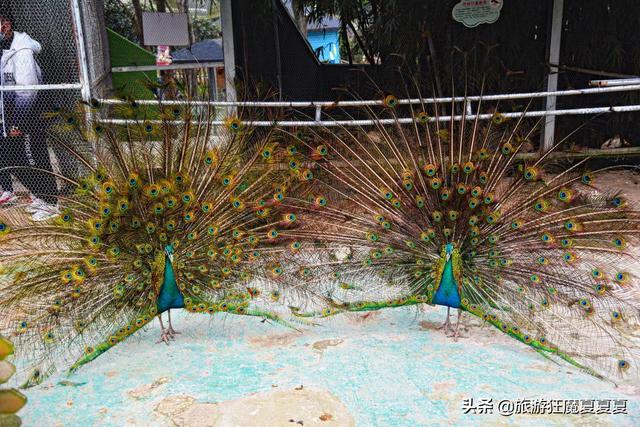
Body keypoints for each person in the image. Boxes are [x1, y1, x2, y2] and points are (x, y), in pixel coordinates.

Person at [0, 15, 58, 221]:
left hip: (28, 117)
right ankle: (44, 197)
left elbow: (27, 90)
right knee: (16, 159)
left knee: (35, 157)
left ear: (5, 25)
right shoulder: (8, 51)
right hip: (16, 117)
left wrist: (18, 122)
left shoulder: (22, 50)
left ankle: (51, 203)